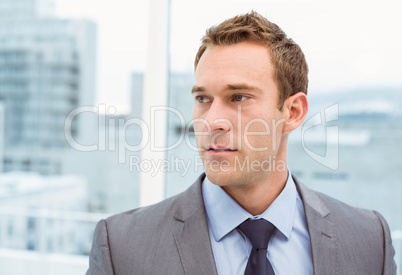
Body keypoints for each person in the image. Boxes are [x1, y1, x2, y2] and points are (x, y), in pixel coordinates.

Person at [86, 11, 396, 275]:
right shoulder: (122, 248)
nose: (212, 121)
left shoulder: (369, 240)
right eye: (202, 98)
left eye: (238, 97)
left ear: (293, 112)